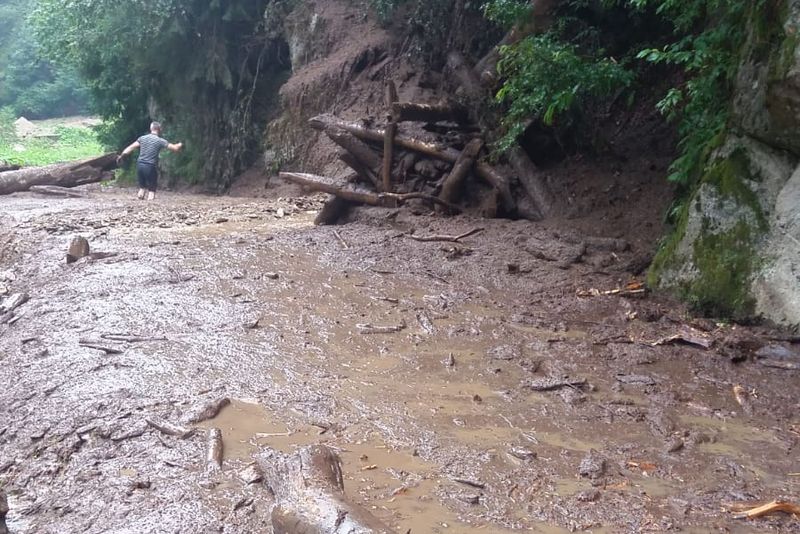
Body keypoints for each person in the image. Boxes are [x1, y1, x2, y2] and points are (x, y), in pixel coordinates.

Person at [117, 121, 183, 200]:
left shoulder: (142, 138)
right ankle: (150, 202)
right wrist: (181, 143)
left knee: (142, 187)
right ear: (159, 129)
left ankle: (141, 197)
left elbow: (131, 147)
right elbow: (175, 148)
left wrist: (121, 156)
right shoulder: (160, 141)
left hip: (140, 165)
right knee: (152, 189)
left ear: (151, 128)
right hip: (150, 166)